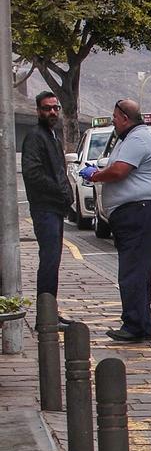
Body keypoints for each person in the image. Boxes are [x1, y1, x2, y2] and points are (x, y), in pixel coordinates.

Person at [80, 99, 151, 343]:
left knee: (132, 273)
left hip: (140, 212)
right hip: (138, 212)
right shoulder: (130, 138)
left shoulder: (136, 139)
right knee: (137, 271)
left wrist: (95, 175)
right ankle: (140, 323)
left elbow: (119, 171)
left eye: (115, 117)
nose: (114, 122)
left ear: (125, 117)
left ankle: (134, 326)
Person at [20, 91, 75, 329]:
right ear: (38, 111)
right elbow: (33, 174)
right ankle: (45, 317)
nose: (52, 112)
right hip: (45, 209)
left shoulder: (51, 135)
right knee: (49, 262)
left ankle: (50, 312)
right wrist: (60, 193)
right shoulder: (35, 137)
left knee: (53, 262)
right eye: (47, 108)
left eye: (55, 108)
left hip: (54, 208)